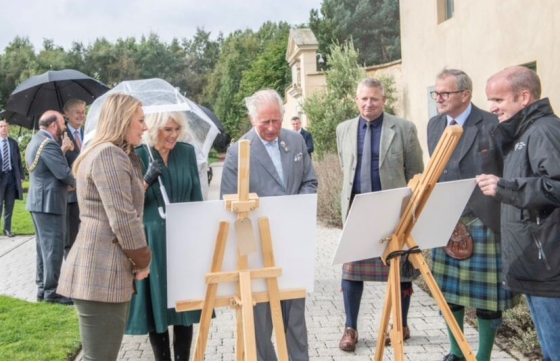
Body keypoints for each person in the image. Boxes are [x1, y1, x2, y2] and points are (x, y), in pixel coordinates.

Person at [221, 89, 318, 360]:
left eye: (277, 120)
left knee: (295, 318)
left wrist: (296, 208)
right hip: (257, 251)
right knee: (260, 322)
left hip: (293, 243)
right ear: (253, 119)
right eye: (266, 122)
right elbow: (227, 204)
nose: (273, 127)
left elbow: (310, 181)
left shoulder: (296, 142)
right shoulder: (238, 152)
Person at [428, 69, 517, 361]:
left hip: (485, 219)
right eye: (436, 93)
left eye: (445, 93)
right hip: (447, 220)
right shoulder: (433, 125)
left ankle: (483, 356)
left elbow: (508, 170)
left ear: (465, 95)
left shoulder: (493, 124)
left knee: (488, 300)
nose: (438, 98)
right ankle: (456, 352)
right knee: (448, 294)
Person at [57, 93, 152, 360]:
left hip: (101, 270)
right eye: (141, 120)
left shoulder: (115, 153)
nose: (145, 127)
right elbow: (122, 219)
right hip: (100, 271)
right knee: (99, 357)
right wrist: (143, 260)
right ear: (123, 120)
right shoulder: (110, 155)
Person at [477, 66, 560, 361]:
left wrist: (506, 188)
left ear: (524, 97)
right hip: (536, 265)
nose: (492, 107)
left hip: (548, 266)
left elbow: (557, 186)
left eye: (498, 99)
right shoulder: (522, 132)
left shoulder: (543, 131)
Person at [336, 77, 424, 352]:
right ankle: (350, 328)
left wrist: (410, 212)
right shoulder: (344, 129)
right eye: (363, 98)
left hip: (393, 212)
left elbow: (416, 173)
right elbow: (345, 167)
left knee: (399, 270)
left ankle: (401, 325)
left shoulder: (404, 128)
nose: (368, 103)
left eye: (374, 98)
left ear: (384, 100)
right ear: (356, 100)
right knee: (351, 272)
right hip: (357, 211)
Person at [126, 111, 203, 360]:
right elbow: (128, 203)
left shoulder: (186, 152)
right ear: (155, 128)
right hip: (151, 238)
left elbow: (196, 196)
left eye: (176, 129)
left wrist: (199, 236)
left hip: (183, 237)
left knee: (185, 306)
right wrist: (147, 179)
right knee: (156, 303)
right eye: (167, 129)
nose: (173, 135)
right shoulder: (138, 155)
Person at [25, 110, 75, 304]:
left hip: (39, 201)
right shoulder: (48, 143)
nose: (64, 127)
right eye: (62, 123)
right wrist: (84, 184)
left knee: (43, 248)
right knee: (53, 247)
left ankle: (42, 287)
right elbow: (62, 173)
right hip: (50, 202)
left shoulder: (37, 140)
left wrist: (61, 150)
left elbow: (45, 166)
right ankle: (52, 291)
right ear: (54, 125)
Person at [63, 98, 86, 257]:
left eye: (83, 112)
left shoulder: (89, 133)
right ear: (67, 115)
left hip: (88, 193)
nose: (81, 115)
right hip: (70, 195)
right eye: (77, 112)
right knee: (70, 238)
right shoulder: (61, 135)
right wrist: (63, 149)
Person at [0, 118, 24, 237]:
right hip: (0, 178)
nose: (3, 129)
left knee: (9, 205)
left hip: (11, 178)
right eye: (1, 126)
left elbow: (18, 161)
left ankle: (7, 229)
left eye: (5, 126)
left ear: (8, 128)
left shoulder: (13, 143)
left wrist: (21, 176)